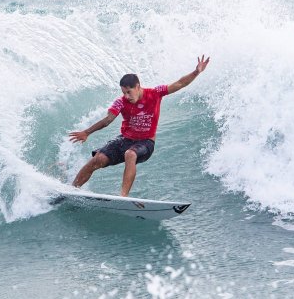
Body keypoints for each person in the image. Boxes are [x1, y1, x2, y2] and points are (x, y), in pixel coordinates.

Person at [68, 55, 210, 196]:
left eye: (129, 92)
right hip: (124, 140)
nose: (127, 96)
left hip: (146, 143)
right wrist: (87, 132)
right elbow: (108, 120)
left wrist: (196, 72)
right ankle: (71, 190)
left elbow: (179, 83)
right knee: (97, 159)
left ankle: (123, 196)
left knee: (130, 154)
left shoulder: (154, 94)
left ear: (138, 86)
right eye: (124, 93)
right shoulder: (121, 102)